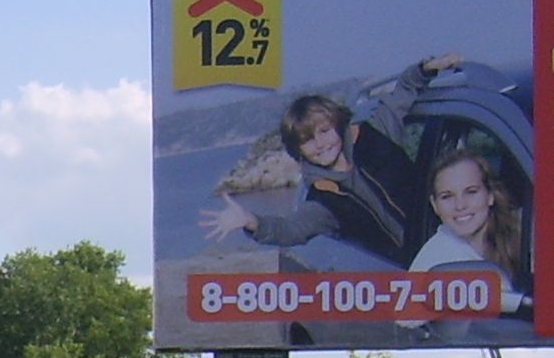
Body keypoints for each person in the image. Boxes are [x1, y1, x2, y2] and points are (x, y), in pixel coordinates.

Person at [200, 52, 462, 264]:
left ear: (337, 124)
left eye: (324, 131)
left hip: (459, 242)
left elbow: (403, 93)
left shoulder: (377, 133)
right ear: (298, 150)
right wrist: (251, 221)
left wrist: (425, 69)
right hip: (411, 273)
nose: (320, 144)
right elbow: (291, 229)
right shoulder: (322, 200)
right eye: (308, 140)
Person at [411, 142, 529, 301]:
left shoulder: (521, 234)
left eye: (471, 192)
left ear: (490, 195)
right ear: (435, 205)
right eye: (447, 196)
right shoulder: (435, 260)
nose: (460, 205)